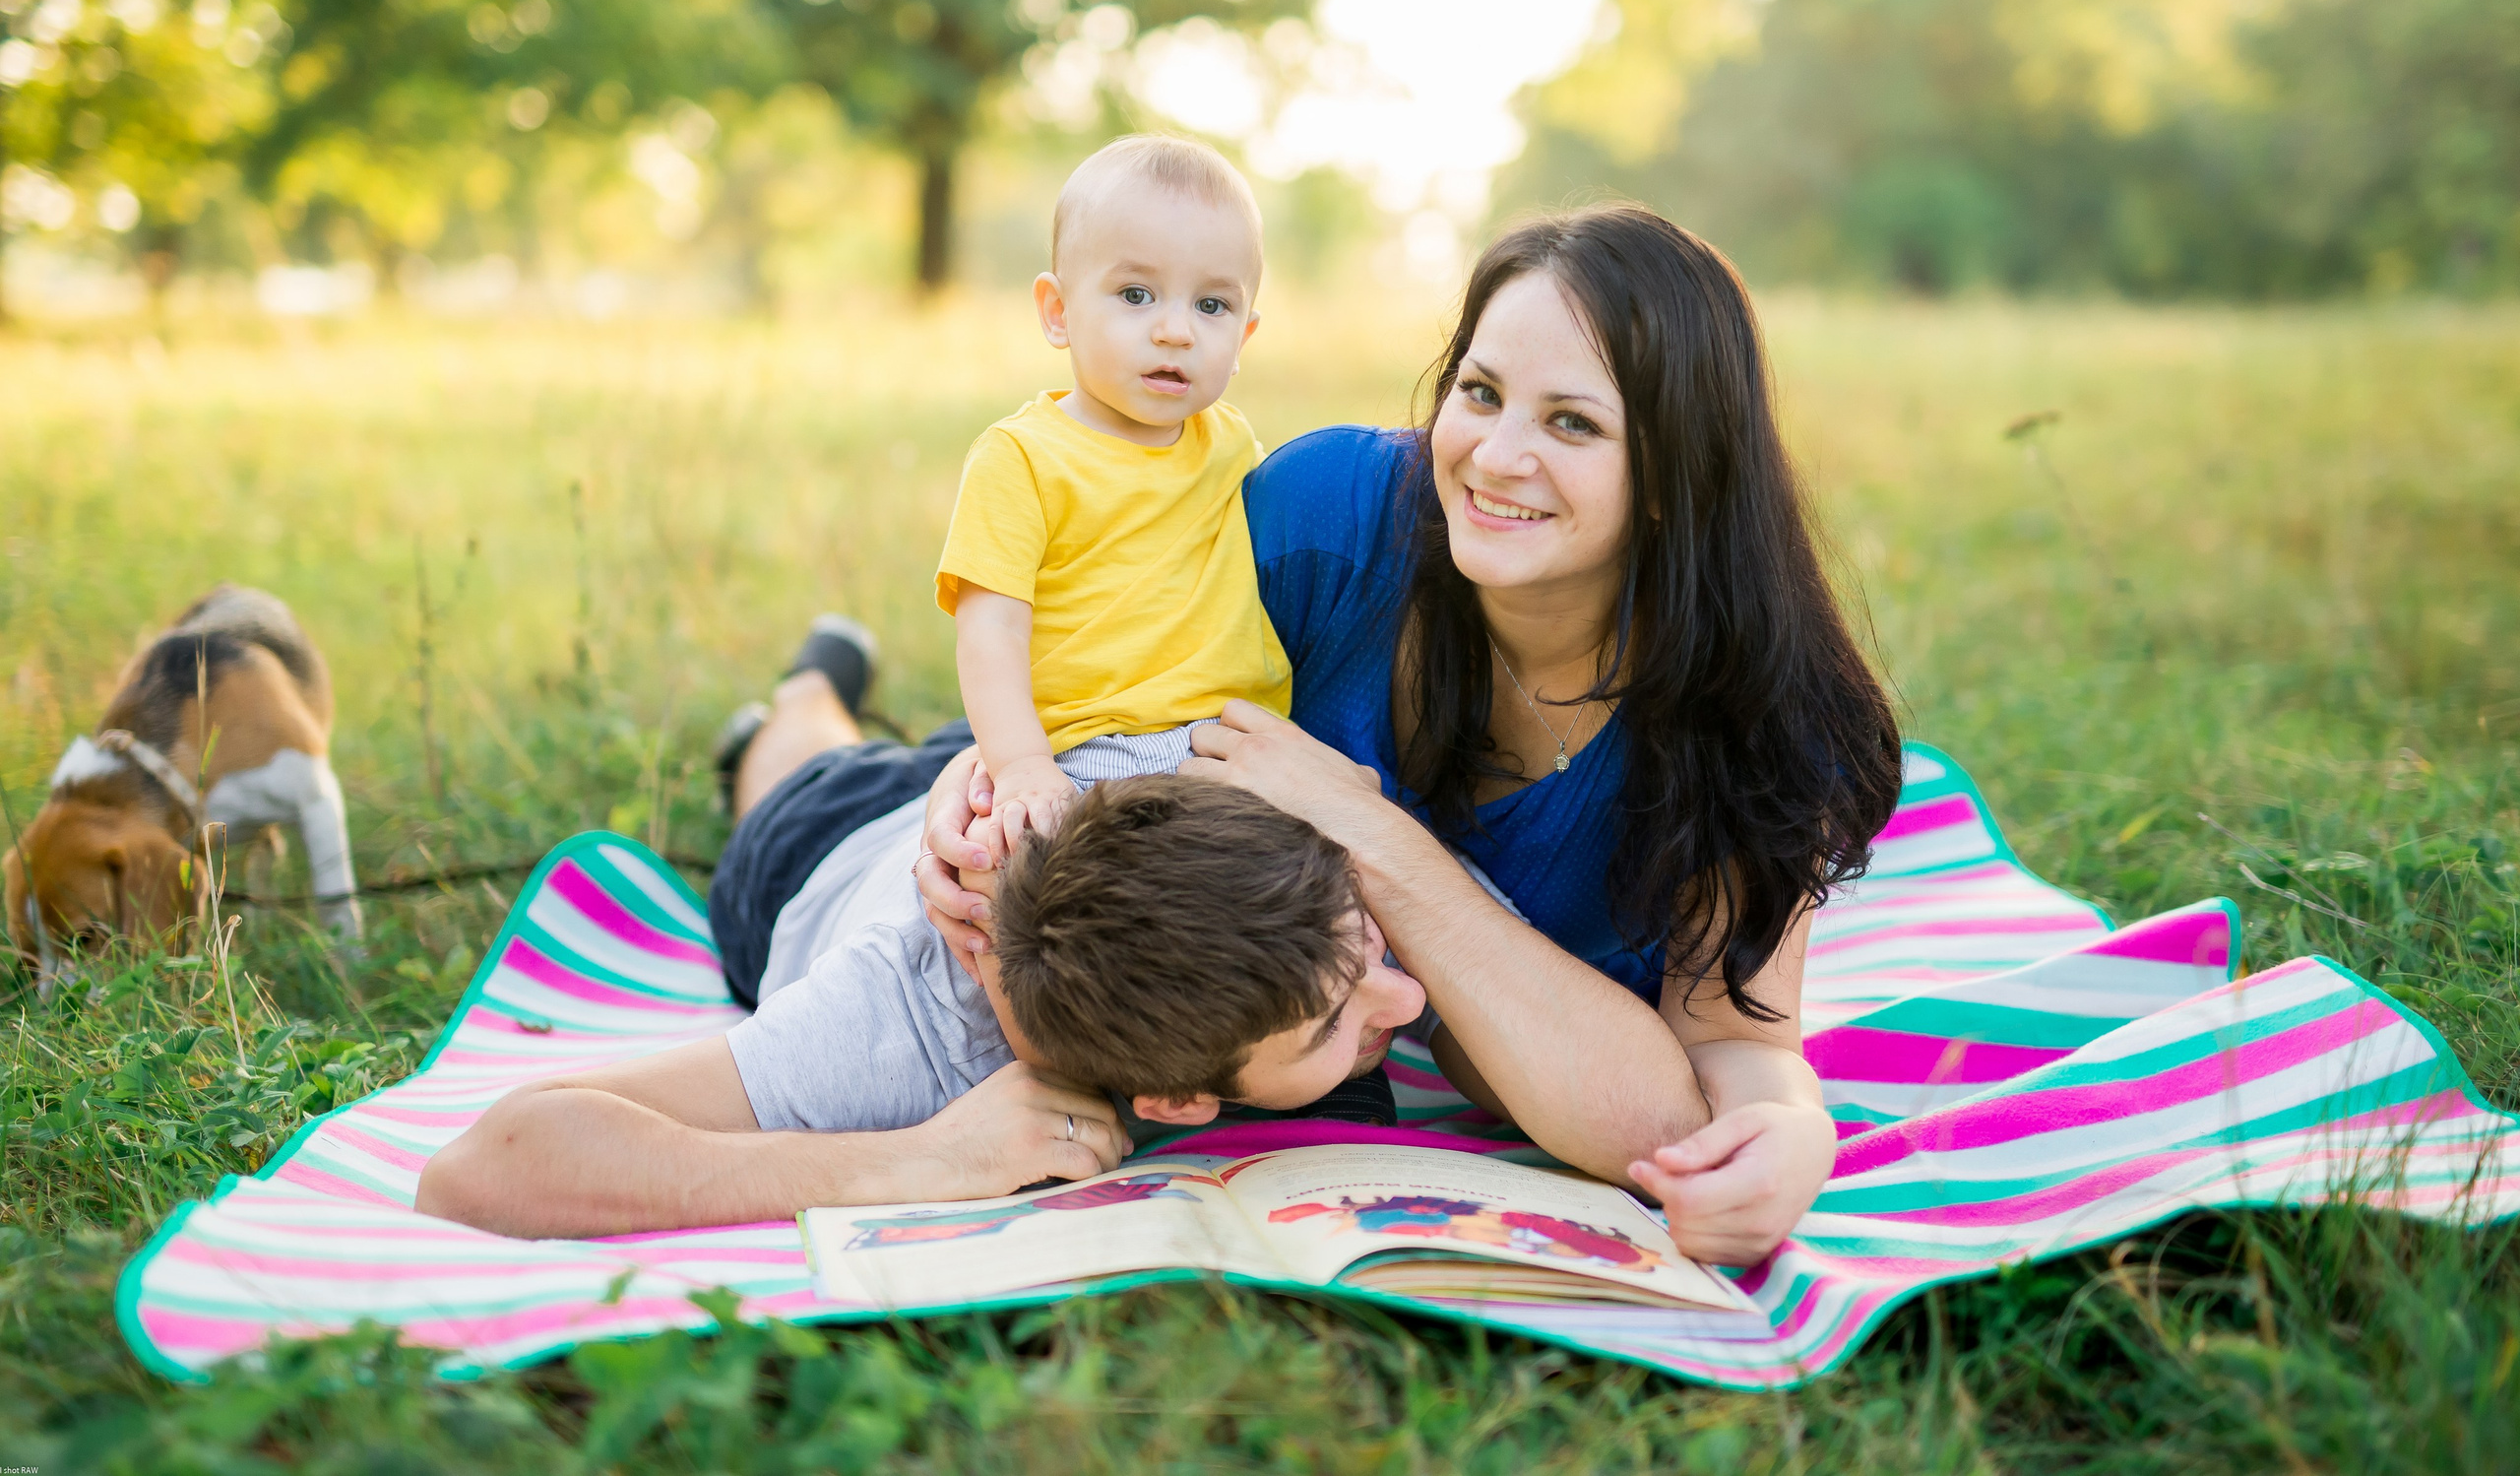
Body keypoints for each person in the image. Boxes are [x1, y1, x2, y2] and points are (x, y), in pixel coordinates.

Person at [920, 205, 1904, 1263]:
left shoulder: (1761, 717)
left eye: (1570, 422)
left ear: (1675, 472)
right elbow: (1105, 669)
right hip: (1047, 791)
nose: (1495, 455)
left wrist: (1796, 1129)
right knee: (809, 795)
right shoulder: (1327, 518)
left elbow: (1729, 1047)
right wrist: (974, 771)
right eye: (1478, 394)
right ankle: (800, 718)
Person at [415, 775, 1425, 1241]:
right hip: (826, 839)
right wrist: (921, 1159)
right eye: (1335, 1019)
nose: (1411, 995)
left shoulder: (1220, 805)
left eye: (1364, 936)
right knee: (801, 765)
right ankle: (798, 697)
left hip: (986, 777)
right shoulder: (891, 1034)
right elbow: (488, 1161)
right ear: (1168, 1099)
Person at [941, 133, 1289, 843]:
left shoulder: (1230, 445)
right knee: (1031, 895)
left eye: (1212, 306)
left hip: (1236, 745)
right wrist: (1022, 764)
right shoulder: (1025, 457)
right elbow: (990, 632)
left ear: (1245, 336)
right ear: (1058, 311)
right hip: (1093, 749)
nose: (1174, 331)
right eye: (1136, 294)